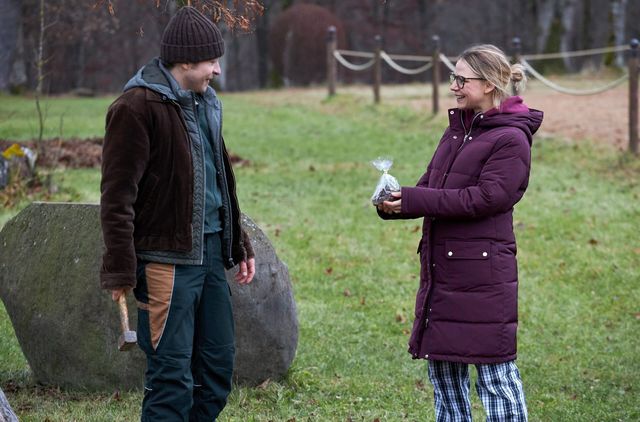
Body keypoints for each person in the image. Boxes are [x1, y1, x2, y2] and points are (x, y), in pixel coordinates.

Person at [99, 6, 255, 421]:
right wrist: (119, 269)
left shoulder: (206, 102)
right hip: (165, 265)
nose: (217, 70)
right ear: (185, 61)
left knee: (216, 374)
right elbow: (117, 197)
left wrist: (239, 241)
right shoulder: (135, 107)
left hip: (211, 257)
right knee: (171, 381)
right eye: (211, 61)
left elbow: (218, 179)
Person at [377, 44, 542, 421]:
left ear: (489, 84)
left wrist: (415, 198)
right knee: (444, 373)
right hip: (444, 272)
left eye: (461, 79)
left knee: (495, 376)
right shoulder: (457, 132)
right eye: (454, 78)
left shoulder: (511, 139)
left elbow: (485, 198)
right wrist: (395, 202)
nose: (453, 86)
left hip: (483, 276)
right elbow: (431, 188)